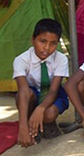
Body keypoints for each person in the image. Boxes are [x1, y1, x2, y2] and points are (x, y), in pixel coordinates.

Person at [13, 19, 69, 147]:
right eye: (42, 41)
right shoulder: (21, 60)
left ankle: (47, 123)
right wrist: (22, 128)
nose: (47, 48)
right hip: (31, 93)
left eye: (53, 43)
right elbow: (23, 90)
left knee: (49, 114)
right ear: (33, 39)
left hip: (52, 94)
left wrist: (40, 109)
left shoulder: (61, 59)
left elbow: (54, 91)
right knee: (24, 95)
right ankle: (29, 125)